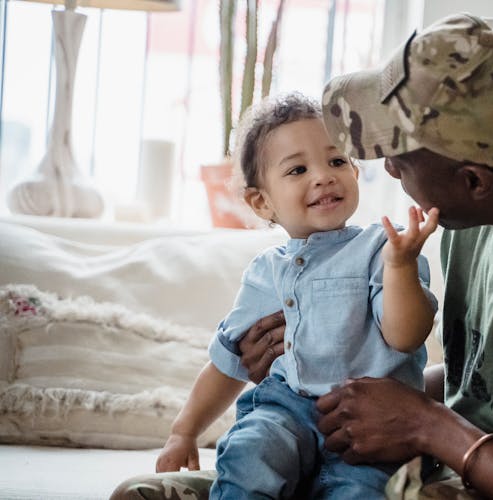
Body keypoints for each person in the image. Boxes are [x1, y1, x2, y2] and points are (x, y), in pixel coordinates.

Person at [112, 13, 493, 500]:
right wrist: (315, 364)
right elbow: (490, 385)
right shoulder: (473, 221)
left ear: (472, 179)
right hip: (449, 473)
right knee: (145, 494)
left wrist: (430, 427)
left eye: (398, 158)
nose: (381, 169)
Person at [123, 92, 440, 499]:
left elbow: (406, 335)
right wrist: (182, 432)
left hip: (368, 428)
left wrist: (401, 266)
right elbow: (226, 363)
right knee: (249, 453)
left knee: (363, 492)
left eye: (337, 161)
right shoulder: (264, 272)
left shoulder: (385, 248)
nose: (323, 176)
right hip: (284, 412)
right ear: (262, 201)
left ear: (356, 173)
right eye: (298, 169)